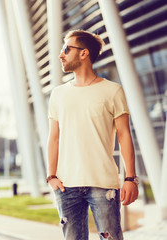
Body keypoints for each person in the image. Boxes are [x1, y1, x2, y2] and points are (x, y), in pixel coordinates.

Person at [46, 29, 139, 240]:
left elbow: (125, 136)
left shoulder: (112, 91)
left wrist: (130, 178)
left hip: (103, 184)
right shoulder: (58, 94)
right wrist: (51, 176)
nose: (61, 54)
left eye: (66, 49)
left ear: (84, 53)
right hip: (66, 186)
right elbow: (54, 137)